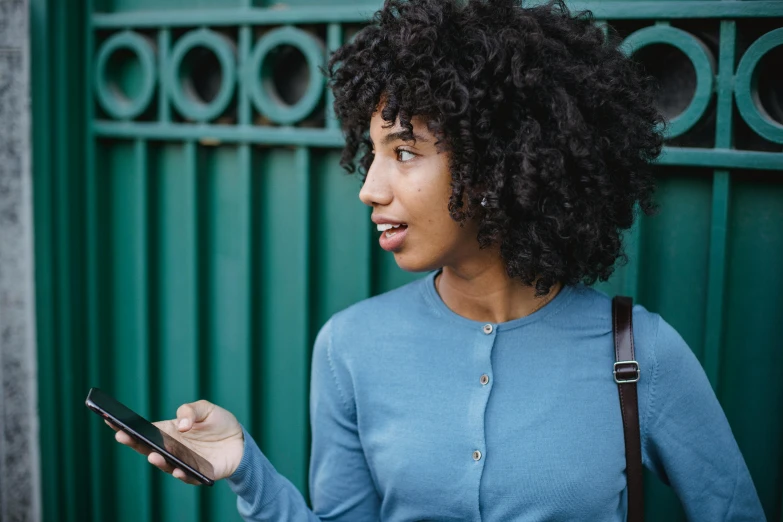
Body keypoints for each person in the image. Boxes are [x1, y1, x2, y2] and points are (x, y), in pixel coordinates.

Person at [108, 0, 766, 520]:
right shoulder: (350, 348)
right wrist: (246, 469)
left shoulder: (640, 353)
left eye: (403, 152)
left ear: (499, 161)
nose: (369, 188)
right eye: (370, 155)